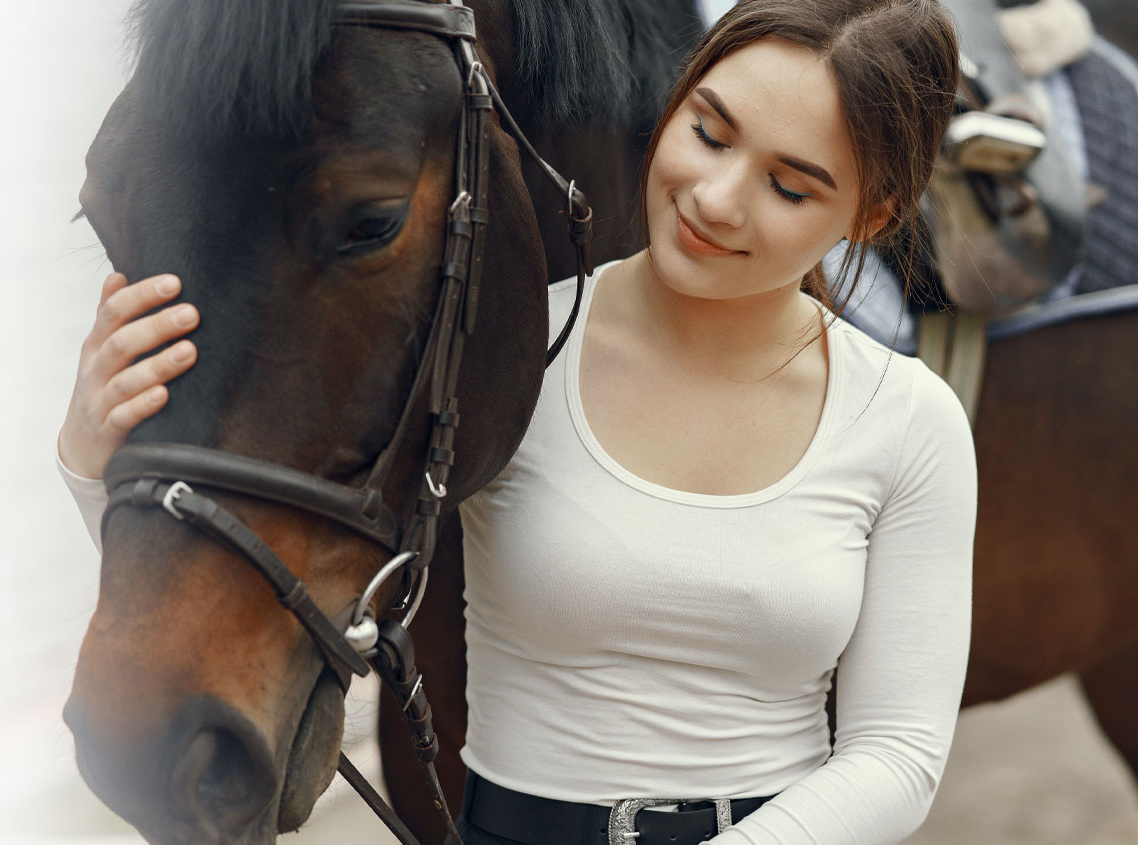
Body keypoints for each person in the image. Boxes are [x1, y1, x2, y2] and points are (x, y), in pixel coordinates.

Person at [55, 0, 977, 842]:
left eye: (790, 186)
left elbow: (898, 752)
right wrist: (92, 466)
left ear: (871, 212)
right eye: (708, 131)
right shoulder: (509, 352)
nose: (716, 198)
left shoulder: (904, 420)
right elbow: (292, 590)